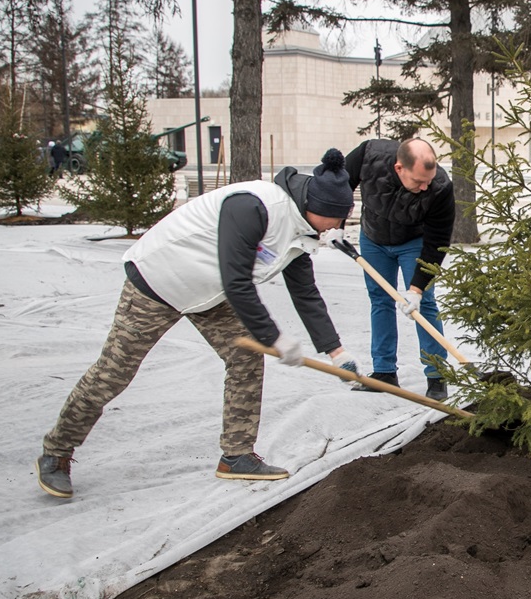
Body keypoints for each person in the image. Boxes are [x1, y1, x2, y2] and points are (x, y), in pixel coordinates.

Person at [35, 149, 360, 499]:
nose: (337, 228)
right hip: (158, 282)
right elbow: (237, 281)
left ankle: (236, 456)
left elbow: (305, 293)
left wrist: (335, 352)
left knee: (245, 359)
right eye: (336, 219)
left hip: (209, 293)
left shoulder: (302, 230)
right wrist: (274, 338)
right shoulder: (255, 206)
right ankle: (56, 452)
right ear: (316, 208)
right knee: (113, 372)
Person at [344, 137, 455, 400]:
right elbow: (338, 185)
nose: (425, 185)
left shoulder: (439, 187)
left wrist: (416, 288)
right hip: (373, 237)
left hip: (414, 241)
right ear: (399, 169)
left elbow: (437, 240)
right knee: (380, 300)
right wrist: (335, 222)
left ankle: (437, 375)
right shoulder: (369, 155)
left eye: (428, 179)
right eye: (418, 181)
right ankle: (384, 373)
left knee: (424, 303)